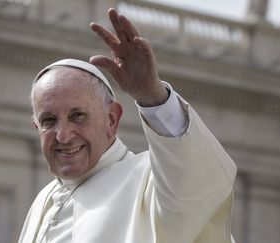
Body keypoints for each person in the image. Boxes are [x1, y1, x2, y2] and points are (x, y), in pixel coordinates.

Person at [18, 8, 237, 243]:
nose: (63, 135)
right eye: (48, 121)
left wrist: (153, 96)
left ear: (112, 119)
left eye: (78, 116)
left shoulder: (149, 180)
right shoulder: (44, 200)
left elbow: (198, 183)